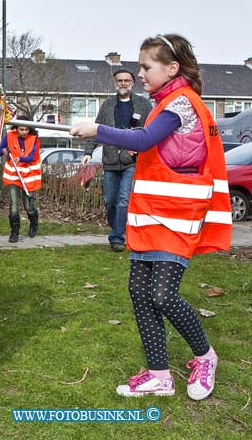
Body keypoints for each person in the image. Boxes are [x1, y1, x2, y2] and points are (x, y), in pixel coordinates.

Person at [71, 34, 232, 400]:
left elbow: (143, 140)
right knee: (140, 294)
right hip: (151, 216)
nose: (139, 74)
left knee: (161, 295)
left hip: (176, 219)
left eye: (146, 67)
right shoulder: (165, 102)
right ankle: (159, 374)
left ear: (171, 68)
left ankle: (205, 356)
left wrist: (97, 130)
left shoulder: (182, 103)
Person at [82, 69, 152, 252]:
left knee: (123, 200)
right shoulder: (107, 105)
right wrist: (88, 151)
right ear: (115, 83)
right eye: (119, 80)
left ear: (132, 83)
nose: (123, 83)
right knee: (110, 200)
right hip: (110, 160)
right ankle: (118, 228)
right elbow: (97, 129)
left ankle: (117, 238)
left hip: (131, 161)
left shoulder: (144, 105)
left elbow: (151, 132)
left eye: (126, 80)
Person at [0, 115, 41, 243]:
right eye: (21, 129)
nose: (24, 132)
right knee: (14, 205)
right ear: (16, 128)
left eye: (26, 129)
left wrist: (20, 158)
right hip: (13, 175)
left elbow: (32, 156)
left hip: (29, 176)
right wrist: (3, 151)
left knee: (29, 206)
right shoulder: (9, 135)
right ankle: (14, 232)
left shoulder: (35, 139)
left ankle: (34, 222)